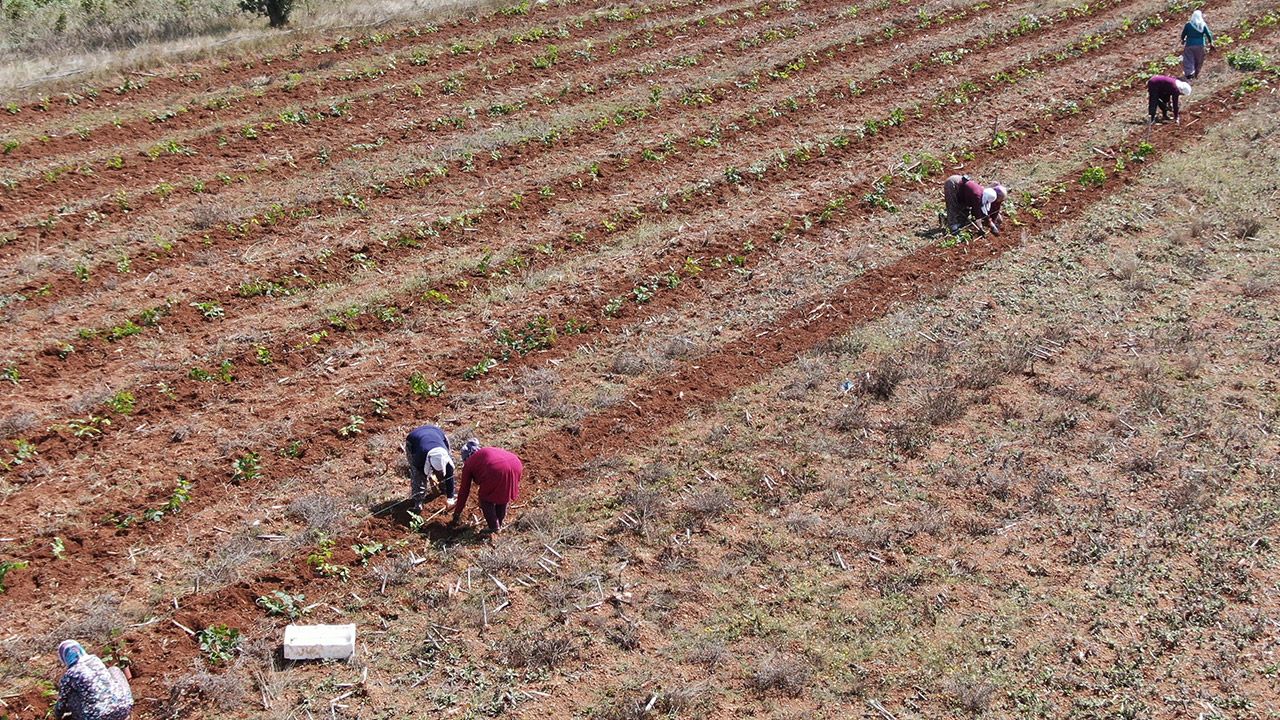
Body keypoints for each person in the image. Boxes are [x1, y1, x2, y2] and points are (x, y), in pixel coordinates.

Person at [451, 439, 522, 533]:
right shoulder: (484, 453)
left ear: (466, 457)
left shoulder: (469, 463)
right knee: (504, 492)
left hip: (496, 468)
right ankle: (498, 524)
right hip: (515, 463)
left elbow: (464, 491)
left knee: (485, 498)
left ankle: (494, 527)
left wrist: (457, 513)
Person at [54, 640, 133, 720]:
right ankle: (123, 702)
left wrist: (57, 716)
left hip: (97, 716)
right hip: (124, 708)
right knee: (114, 670)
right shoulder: (95, 660)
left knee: (70, 694)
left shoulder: (70, 674)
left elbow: (62, 703)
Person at [404, 425, 456, 513]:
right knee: (417, 475)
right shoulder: (420, 457)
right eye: (435, 470)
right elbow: (419, 475)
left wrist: (450, 498)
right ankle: (418, 502)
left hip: (437, 434)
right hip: (414, 439)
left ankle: (444, 489)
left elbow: (450, 476)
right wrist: (422, 488)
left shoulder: (445, 458)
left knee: (447, 475)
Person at [942, 175, 1007, 235]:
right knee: (953, 206)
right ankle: (953, 227)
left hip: (963, 189)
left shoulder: (985, 194)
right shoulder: (977, 197)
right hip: (953, 184)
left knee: (963, 209)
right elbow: (977, 215)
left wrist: (992, 225)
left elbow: (984, 210)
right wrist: (980, 228)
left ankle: (957, 221)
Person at [1180, 10, 1214, 80]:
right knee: (1199, 60)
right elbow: (1208, 34)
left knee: (1189, 59)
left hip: (1189, 45)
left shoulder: (1188, 25)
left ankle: (1189, 74)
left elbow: (1183, 34)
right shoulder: (1203, 25)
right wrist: (1211, 43)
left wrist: (1183, 40)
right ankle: (1196, 74)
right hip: (1200, 45)